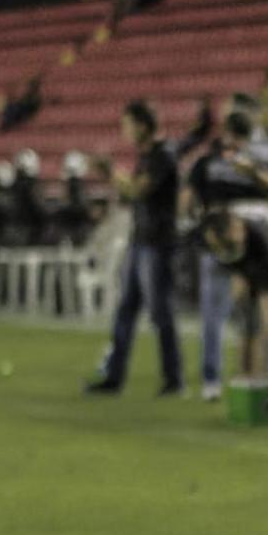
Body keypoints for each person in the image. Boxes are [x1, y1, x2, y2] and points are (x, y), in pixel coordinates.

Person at [88, 101, 184, 396]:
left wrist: (110, 172)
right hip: (140, 241)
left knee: (160, 313)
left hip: (157, 244)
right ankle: (114, 377)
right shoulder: (146, 156)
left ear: (143, 125)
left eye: (128, 124)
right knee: (125, 311)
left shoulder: (162, 156)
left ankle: (173, 379)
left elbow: (138, 189)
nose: (124, 130)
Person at [183, 110, 268, 401]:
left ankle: (213, 381)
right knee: (253, 316)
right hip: (251, 246)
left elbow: (187, 201)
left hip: (217, 245)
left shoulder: (208, 161)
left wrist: (196, 223)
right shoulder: (255, 164)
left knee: (214, 315)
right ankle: (259, 376)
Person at [202, 208, 268, 381]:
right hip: (254, 252)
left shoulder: (267, 242)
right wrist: (238, 275)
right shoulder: (221, 232)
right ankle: (247, 369)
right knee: (245, 310)